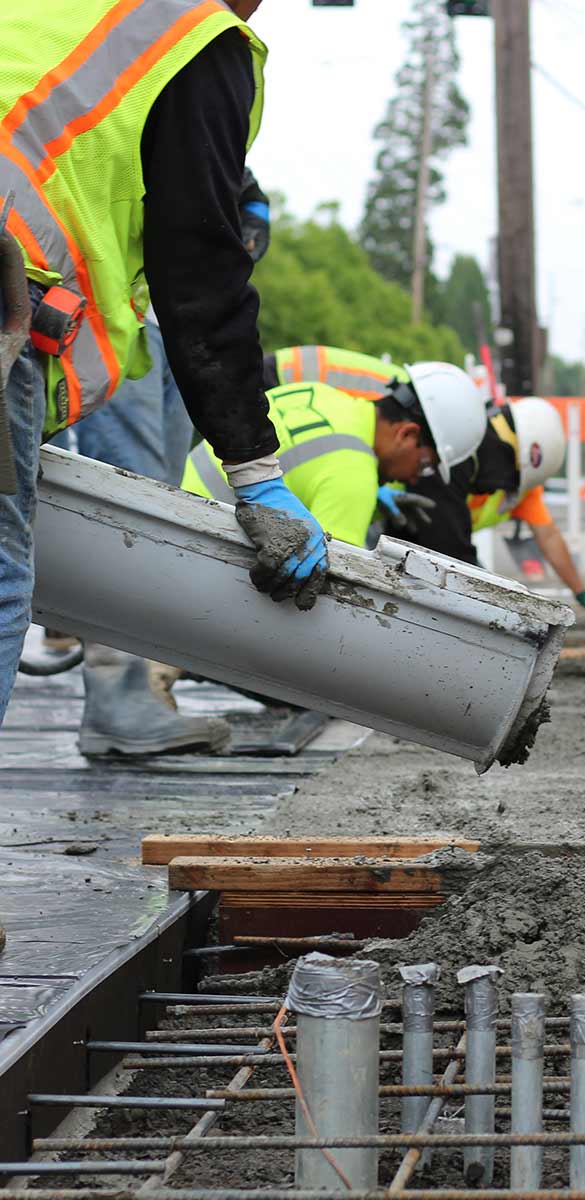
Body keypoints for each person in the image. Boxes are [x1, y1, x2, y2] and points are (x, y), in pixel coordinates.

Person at [0, 0, 328, 729]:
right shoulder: (190, 35)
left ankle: (127, 703)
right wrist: (257, 476)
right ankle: (122, 707)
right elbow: (200, 276)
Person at [62, 168, 273, 757]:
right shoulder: (142, 81)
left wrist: (251, 208)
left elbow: (235, 185)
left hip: (172, 318)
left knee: (156, 499)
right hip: (109, 303)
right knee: (127, 505)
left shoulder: (204, 101)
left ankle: (135, 694)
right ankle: (116, 701)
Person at [266, 345, 585, 611]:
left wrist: (580, 592)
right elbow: (336, 588)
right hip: (272, 382)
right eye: (426, 463)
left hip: (289, 413)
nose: (423, 474)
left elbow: (547, 534)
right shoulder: (361, 463)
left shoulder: (414, 410)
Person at [183, 366, 488, 553]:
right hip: (200, 548)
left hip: (177, 505)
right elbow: (332, 600)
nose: (413, 479)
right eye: (424, 465)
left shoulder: (324, 395)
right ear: (407, 435)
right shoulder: (355, 476)